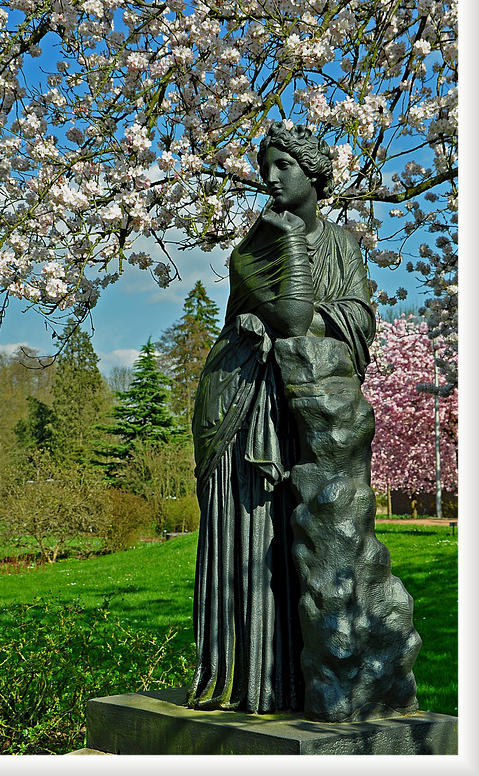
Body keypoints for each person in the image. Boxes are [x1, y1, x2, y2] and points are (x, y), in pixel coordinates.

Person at [186, 123, 376, 714]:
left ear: (312, 173)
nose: (268, 178)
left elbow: (358, 320)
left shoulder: (344, 244)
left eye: (281, 165)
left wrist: (319, 318)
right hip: (247, 402)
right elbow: (293, 317)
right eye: (264, 167)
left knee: (311, 537)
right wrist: (299, 275)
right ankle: (249, 682)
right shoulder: (258, 244)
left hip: (308, 402)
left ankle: (303, 681)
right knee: (253, 533)